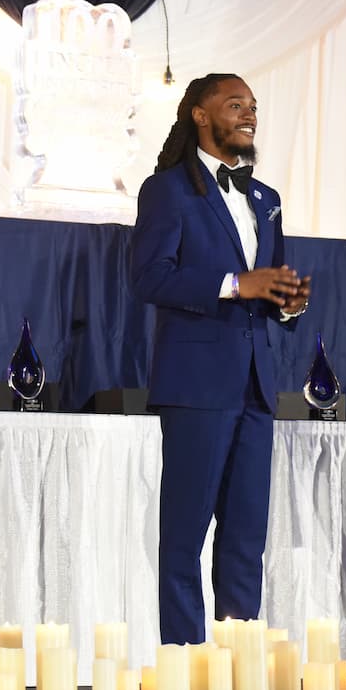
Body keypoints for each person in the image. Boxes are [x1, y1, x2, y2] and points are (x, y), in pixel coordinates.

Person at [130, 73, 312, 645]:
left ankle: (240, 664)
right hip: (196, 385)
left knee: (245, 537)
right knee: (184, 536)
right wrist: (236, 284)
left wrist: (288, 303)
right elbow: (149, 277)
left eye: (253, 106)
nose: (249, 115)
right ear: (200, 115)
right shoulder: (167, 190)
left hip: (257, 385)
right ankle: (185, 663)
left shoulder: (266, 199)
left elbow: (270, 284)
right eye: (235, 105)